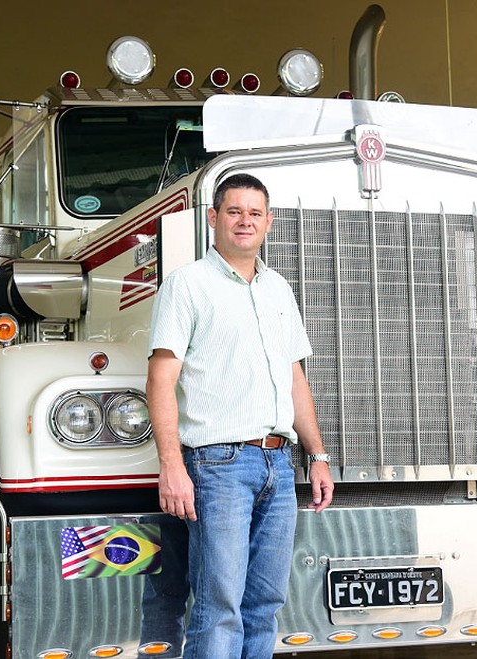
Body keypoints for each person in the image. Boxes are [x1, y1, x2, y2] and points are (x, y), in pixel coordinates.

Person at [146, 172, 334, 659]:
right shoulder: (187, 285)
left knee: (264, 605)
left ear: (268, 222)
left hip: (277, 464)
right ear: (213, 218)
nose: (244, 221)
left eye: (254, 213)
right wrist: (171, 466)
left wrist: (317, 454)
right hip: (217, 467)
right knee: (218, 605)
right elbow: (161, 380)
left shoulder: (279, 290)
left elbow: (295, 379)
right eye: (234, 211)